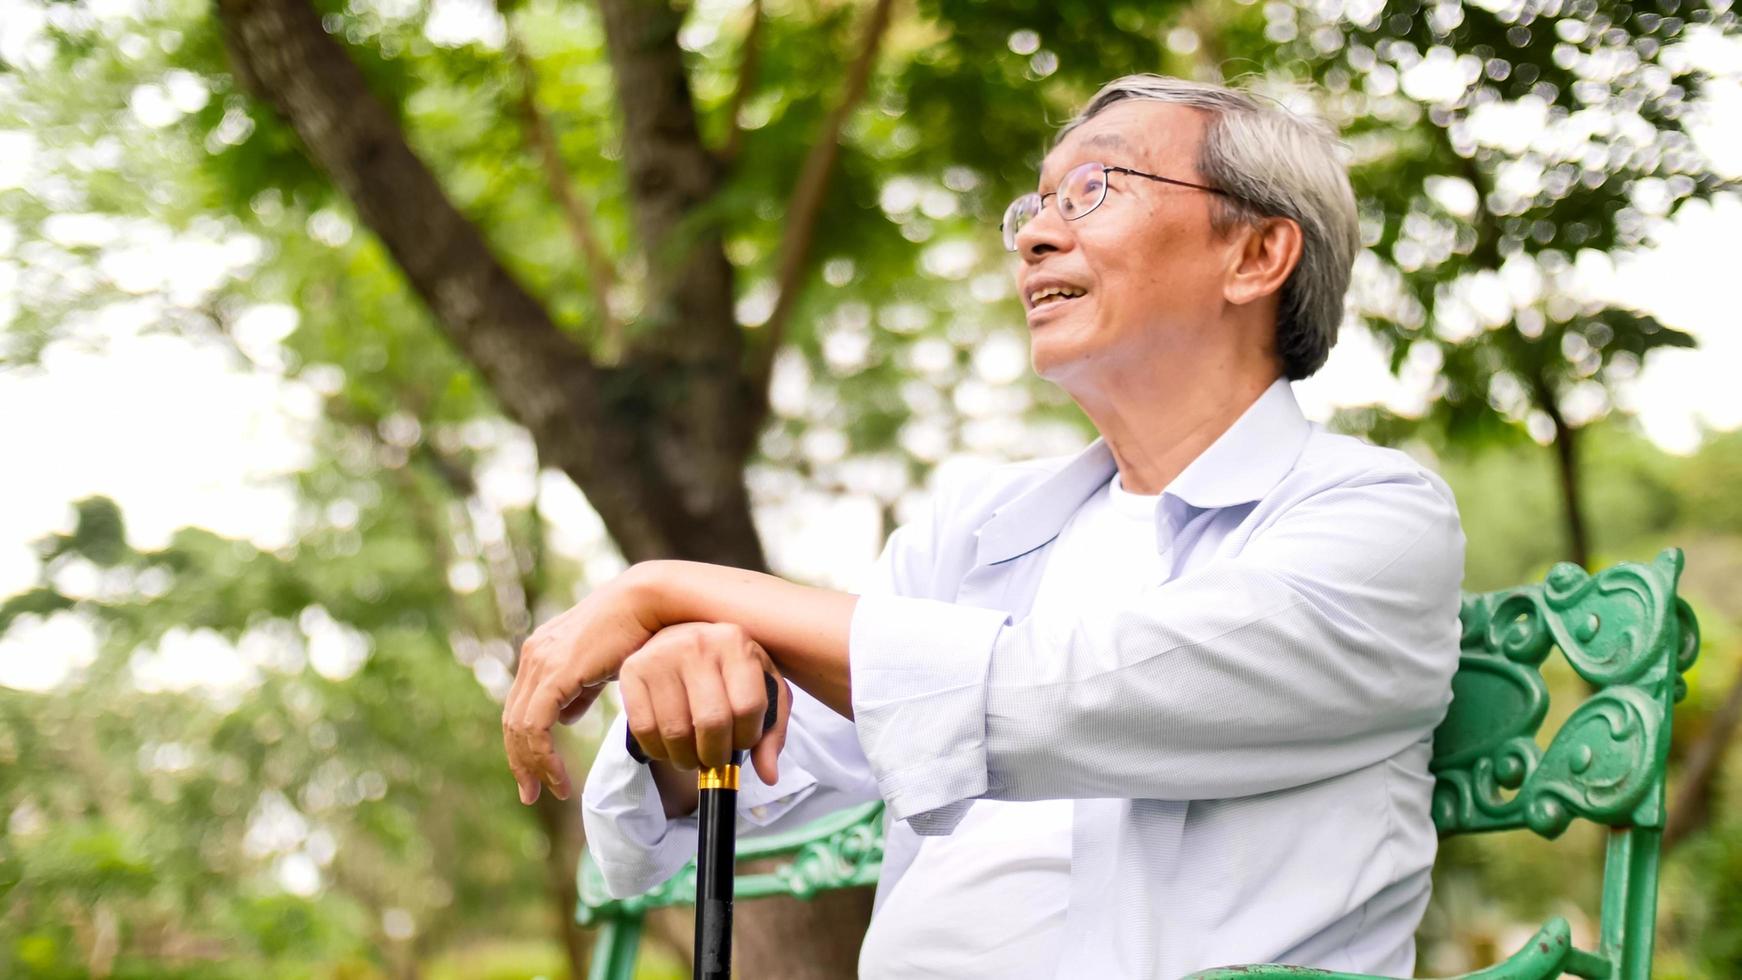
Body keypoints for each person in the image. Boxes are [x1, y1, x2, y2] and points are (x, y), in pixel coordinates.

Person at [502, 73, 1465, 978]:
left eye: (1093, 189)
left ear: (1255, 254)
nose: (1037, 238)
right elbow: (770, 774)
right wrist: (688, 702)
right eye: (1034, 207)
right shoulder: (976, 528)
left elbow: (1071, 695)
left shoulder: (1371, 519)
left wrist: (670, 587)